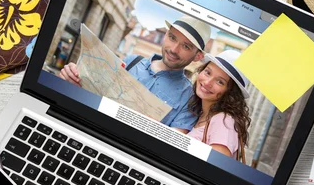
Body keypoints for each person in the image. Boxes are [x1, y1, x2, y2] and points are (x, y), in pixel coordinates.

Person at [60, 15, 211, 132]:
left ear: (197, 56)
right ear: (165, 35)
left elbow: (176, 143)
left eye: (186, 46)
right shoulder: (131, 62)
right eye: (172, 37)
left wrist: (154, 130)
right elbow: (95, 99)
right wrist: (75, 84)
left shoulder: (190, 98)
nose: (174, 49)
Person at [186, 50, 251, 162]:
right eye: (208, 72)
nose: (207, 83)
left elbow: (214, 168)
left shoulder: (224, 121)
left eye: (220, 82)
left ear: (230, 92)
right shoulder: (201, 112)